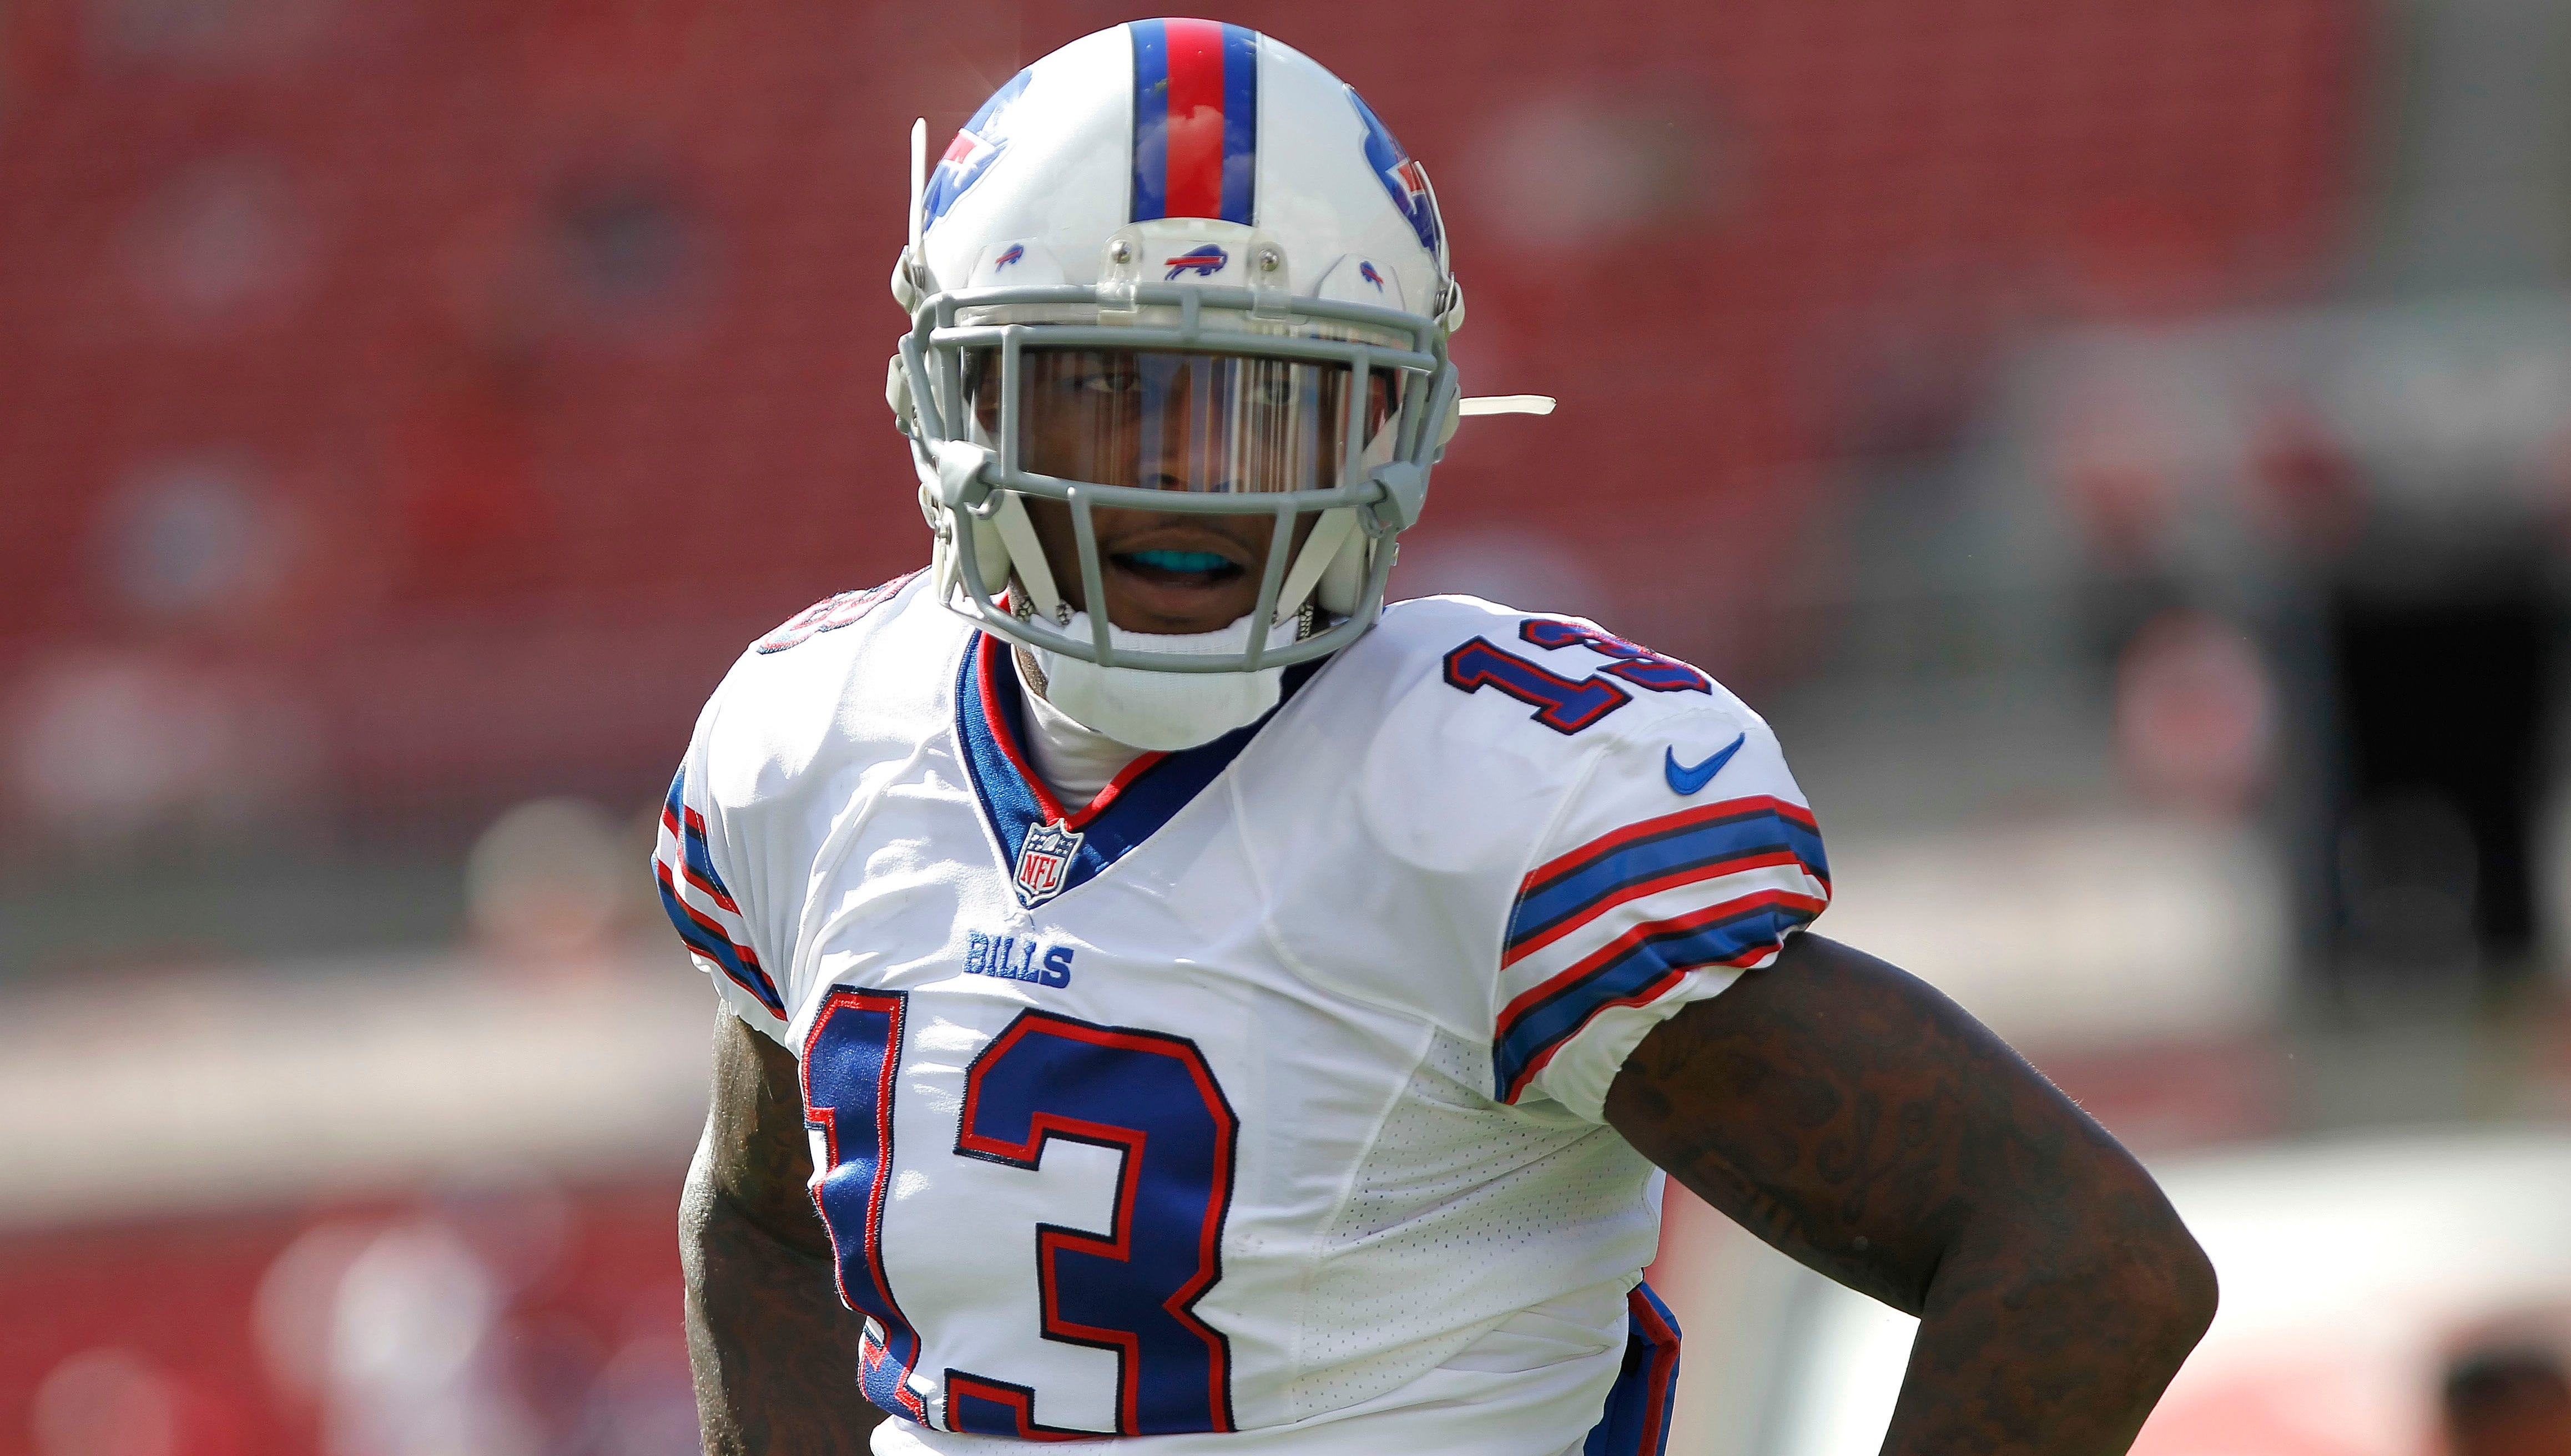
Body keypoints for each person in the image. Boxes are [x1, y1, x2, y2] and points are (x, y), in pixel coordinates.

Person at [661, 20, 2216, 1455]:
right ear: (958, 400)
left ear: (1392, 426)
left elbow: (2082, 1257)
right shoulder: (820, 739)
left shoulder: (1489, 799)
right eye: (1105, 388)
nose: (1189, 471)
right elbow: (760, 1224)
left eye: (1270, 403)